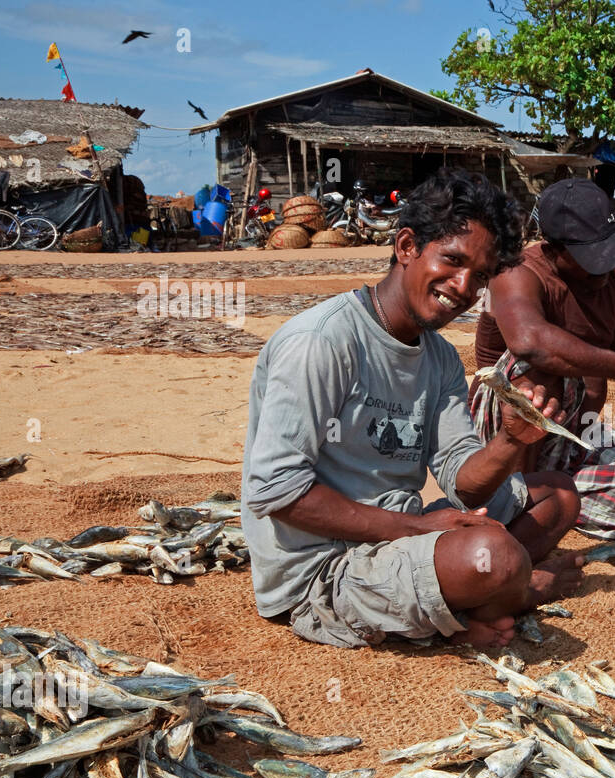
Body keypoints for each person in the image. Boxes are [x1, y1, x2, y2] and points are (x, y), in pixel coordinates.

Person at [241, 168, 584, 652]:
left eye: (480, 276)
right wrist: (418, 527)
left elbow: (460, 479)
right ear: (406, 246)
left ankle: (471, 600)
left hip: (399, 533)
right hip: (323, 568)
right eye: (453, 260)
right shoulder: (321, 342)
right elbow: (276, 491)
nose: (463, 287)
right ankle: (513, 592)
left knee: (559, 497)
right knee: (494, 557)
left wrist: (511, 440)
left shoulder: (439, 355)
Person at [470, 178, 615, 540]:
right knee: (540, 368)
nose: (601, 270)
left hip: (569, 438)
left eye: (606, 255)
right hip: (502, 440)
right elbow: (530, 343)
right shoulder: (516, 272)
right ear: (553, 250)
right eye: (589, 259)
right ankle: (514, 494)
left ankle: (554, 497)